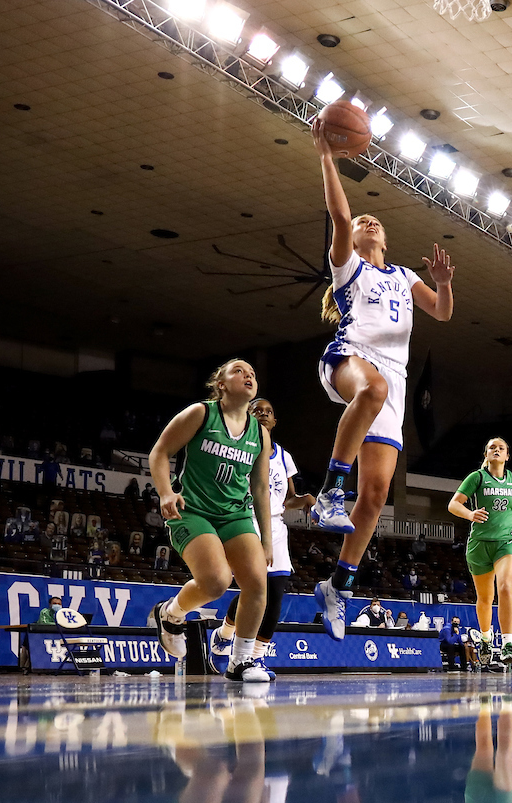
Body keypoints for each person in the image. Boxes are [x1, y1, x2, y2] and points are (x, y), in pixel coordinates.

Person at [310, 117, 454, 641]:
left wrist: (442, 284)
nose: (367, 222)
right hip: (350, 355)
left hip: (393, 374)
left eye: (375, 222)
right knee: (372, 389)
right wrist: (328, 158)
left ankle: (338, 586)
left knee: (375, 497)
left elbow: (440, 313)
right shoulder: (350, 269)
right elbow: (340, 211)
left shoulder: (404, 276)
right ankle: (329, 490)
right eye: (363, 221)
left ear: (387, 240)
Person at [148, 359, 272, 682]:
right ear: (221, 385)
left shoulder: (260, 434)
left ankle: (241, 661)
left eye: (252, 374)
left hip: (235, 514)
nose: (248, 375)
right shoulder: (200, 414)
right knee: (217, 581)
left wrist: (267, 540)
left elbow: (260, 490)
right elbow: (159, 452)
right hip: (193, 509)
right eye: (239, 371)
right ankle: (171, 614)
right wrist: (164, 493)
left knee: (258, 582)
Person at [215, 399, 315, 671]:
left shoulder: (283, 456)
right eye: (256, 410)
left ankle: (256, 655)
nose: (263, 414)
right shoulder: (236, 449)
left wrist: (305, 500)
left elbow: (288, 500)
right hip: (245, 522)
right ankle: (225, 635)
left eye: (268, 411)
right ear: (246, 416)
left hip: (275, 528)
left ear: (274, 422)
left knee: (275, 595)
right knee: (254, 589)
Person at [448, 437, 512, 669]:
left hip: (507, 542)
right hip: (479, 545)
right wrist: (469, 514)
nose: (496, 450)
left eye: (501, 448)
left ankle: (507, 644)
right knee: (485, 598)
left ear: (507, 455)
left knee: (506, 586)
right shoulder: (476, 477)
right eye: (492, 448)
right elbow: (453, 504)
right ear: (486, 454)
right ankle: (486, 639)